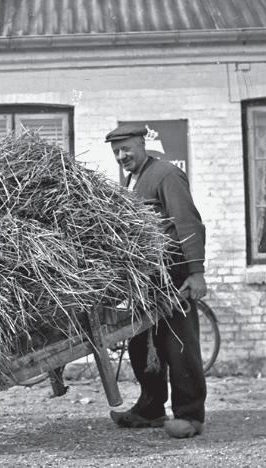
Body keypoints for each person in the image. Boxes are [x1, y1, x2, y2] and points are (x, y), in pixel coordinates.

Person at [105, 123, 207, 439]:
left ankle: (190, 416)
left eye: (126, 149)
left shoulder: (166, 174)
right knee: (142, 346)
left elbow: (188, 223)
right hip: (147, 280)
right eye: (116, 152)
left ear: (142, 143)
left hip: (173, 276)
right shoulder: (132, 181)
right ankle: (151, 409)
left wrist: (196, 272)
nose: (121, 156)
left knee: (179, 345)